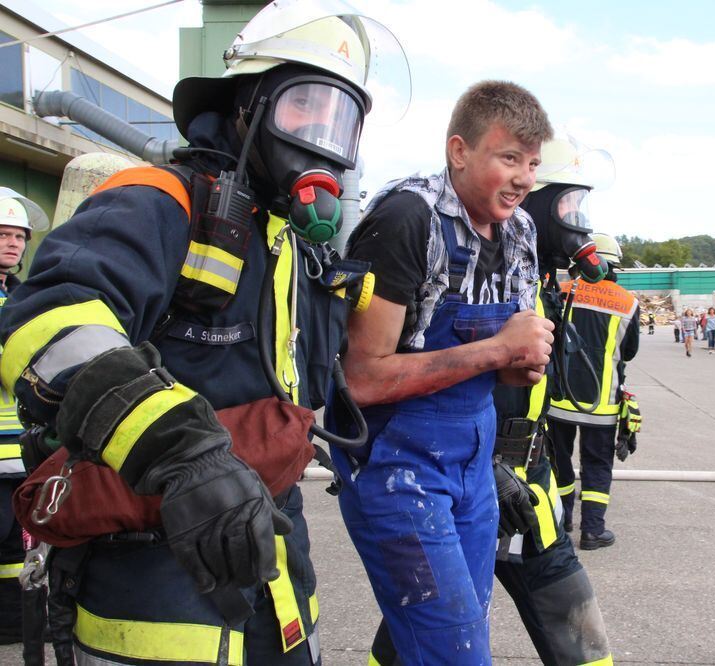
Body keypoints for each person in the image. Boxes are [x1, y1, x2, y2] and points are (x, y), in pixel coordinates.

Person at [0, 4, 399, 662]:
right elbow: (52, 315)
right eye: (305, 106)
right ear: (247, 104)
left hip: (277, 564)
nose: (322, 136)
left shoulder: (297, 250)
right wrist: (180, 450)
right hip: (152, 573)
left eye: (341, 121)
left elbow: (350, 380)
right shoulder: (160, 199)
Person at [365, 133, 615, 666]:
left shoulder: (534, 277)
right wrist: (492, 465)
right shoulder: (457, 256)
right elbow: (419, 375)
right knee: (432, 633)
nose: (576, 218)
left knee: (577, 634)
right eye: (568, 202)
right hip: (474, 482)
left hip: (527, 495)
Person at [332, 80, 554, 664]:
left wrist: (517, 368)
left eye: (532, 164)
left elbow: (502, 361)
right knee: (457, 652)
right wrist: (495, 352)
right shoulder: (409, 219)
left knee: (448, 636)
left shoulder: (521, 233)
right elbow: (361, 378)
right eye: (509, 158)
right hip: (398, 467)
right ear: (459, 151)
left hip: (473, 465)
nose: (524, 178)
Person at [549, 233, 640, 551]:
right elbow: (628, 353)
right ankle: (593, 531)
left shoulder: (560, 291)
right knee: (597, 465)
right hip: (602, 405)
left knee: (558, 462)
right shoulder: (628, 303)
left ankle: (561, 523)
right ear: (612, 264)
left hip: (558, 400)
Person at [0, 189, 49, 647]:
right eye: (3, 235)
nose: (13, 244)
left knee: (20, 542)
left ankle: (17, 622)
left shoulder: (20, 297)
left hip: (19, 446)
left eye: (18, 236)